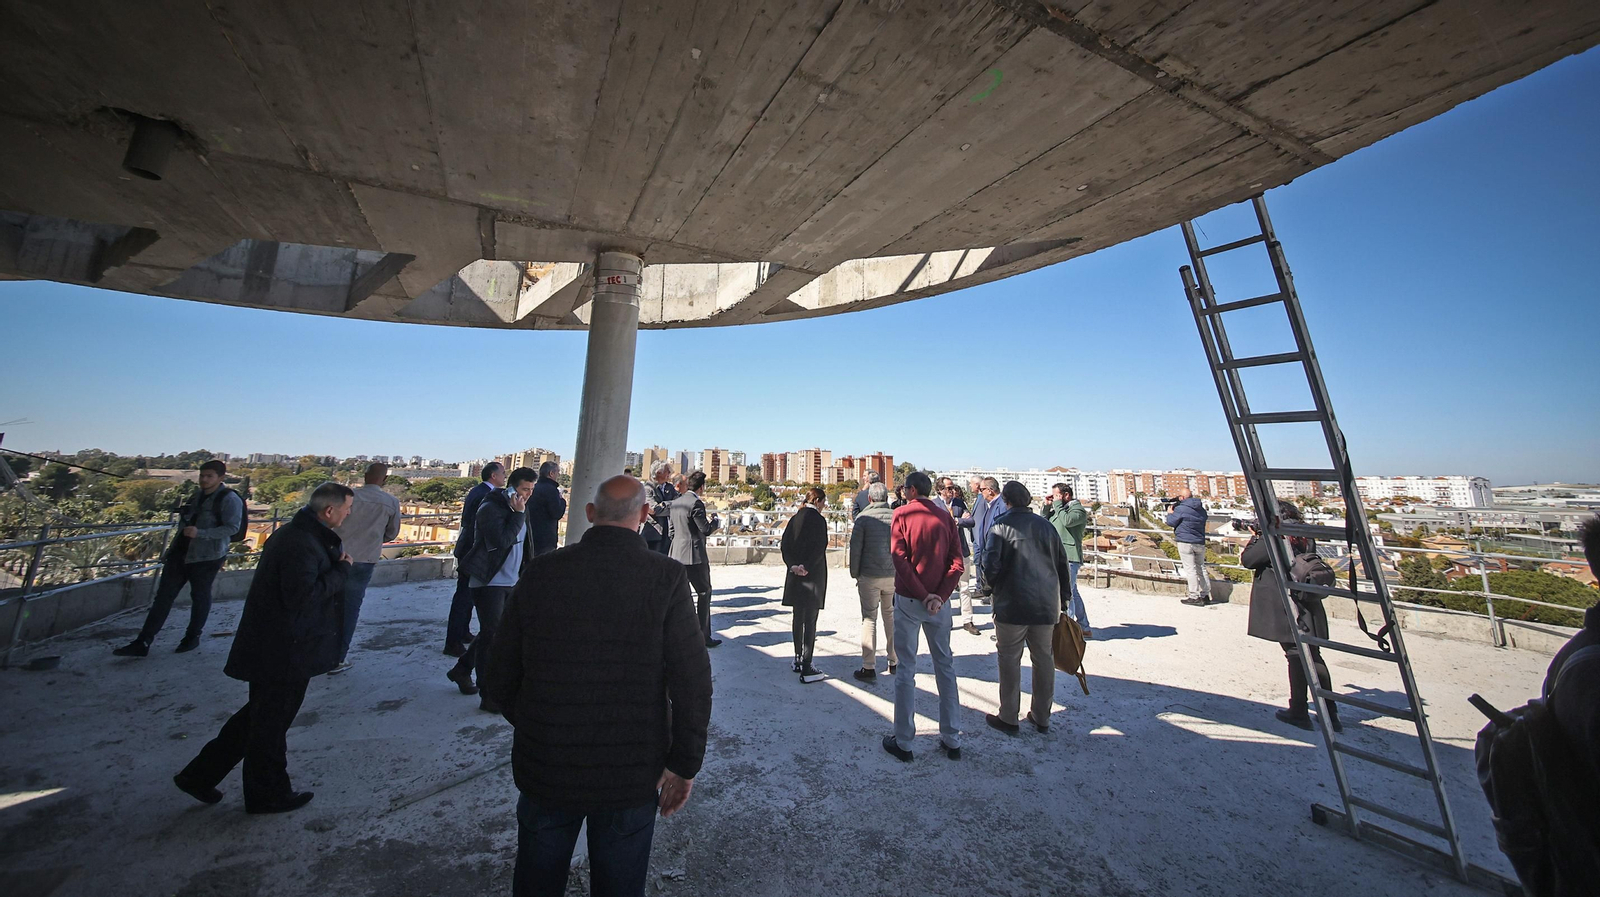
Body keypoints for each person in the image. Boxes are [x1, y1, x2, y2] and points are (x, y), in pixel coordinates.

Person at [484, 475, 712, 897]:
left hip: (546, 764)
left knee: (536, 881)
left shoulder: (542, 572)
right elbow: (692, 681)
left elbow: (497, 677)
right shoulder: (665, 577)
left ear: (589, 514)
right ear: (645, 516)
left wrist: (538, 721)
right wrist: (684, 763)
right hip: (631, 771)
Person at [172, 482, 353, 814]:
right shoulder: (302, 543)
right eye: (346, 509)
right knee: (270, 725)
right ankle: (267, 794)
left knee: (257, 718)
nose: (348, 514)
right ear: (329, 511)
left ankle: (199, 775)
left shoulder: (299, 535)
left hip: (280, 645)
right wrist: (342, 570)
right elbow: (303, 597)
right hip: (284, 648)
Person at [115, 459, 245, 656]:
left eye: (209, 476)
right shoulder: (198, 495)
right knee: (163, 598)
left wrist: (200, 533)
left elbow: (232, 528)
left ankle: (192, 637)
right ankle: (143, 642)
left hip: (207, 556)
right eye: (202, 476)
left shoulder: (229, 499)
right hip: (181, 553)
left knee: (200, 597)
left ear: (221, 478)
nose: (204, 480)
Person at [882, 471, 964, 762]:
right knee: (945, 665)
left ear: (912, 490)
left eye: (905, 489)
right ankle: (952, 737)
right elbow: (957, 563)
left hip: (909, 600)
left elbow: (898, 558)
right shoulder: (945, 519)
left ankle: (904, 741)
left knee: (906, 668)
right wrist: (939, 596)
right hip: (939, 605)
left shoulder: (902, 515)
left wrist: (920, 593)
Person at [1242, 500, 1340, 732]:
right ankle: (1330, 713)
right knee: (1313, 656)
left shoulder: (1274, 534)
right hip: (1307, 598)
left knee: (1296, 656)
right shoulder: (1302, 532)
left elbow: (1248, 560)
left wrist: (1256, 536)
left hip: (1285, 602)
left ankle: (1298, 711)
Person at [982, 481, 1070, 735]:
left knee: (1009, 659)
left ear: (1006, 501)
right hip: (1045, 606)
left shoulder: (1001, 525)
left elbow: (991, 565)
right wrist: (1063, 599)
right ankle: (1042, 716)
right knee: (1044, 660)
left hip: (1012, 605)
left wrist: (989, 590)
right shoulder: (1047, 527)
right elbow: (1062, 565)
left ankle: (1009, 716)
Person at [447, 467, 533, 710]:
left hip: (511, 580)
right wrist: (518, 514)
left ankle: (461, 670)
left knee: (491, 634)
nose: (528, 494)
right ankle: (488, 694)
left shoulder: (522, 508)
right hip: (489, 581)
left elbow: (525, 545)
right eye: (525, 489)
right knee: (492, 637)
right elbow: (502, 540)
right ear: (512, 488)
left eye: (531, 490)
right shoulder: (491, 508)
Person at [328, 462, 401, 673]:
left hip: (334, 557)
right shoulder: (390, 502)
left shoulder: (346, 496)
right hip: (363, 560)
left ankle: (312, 652)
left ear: (364, 475)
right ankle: (337, 659)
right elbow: (391, 534)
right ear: (385, 480)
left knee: (323, 603)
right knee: (349, 610)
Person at [446, 462, 504, 657]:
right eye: (502, 473)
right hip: (472, 551)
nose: (504, 477)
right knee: (463, 597)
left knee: (467, 595)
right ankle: (453, 641)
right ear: (493, 476)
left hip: (467, 549)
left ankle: (462, 633)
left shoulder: (476, 491)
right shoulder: (485, 495)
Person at [661, 470, 722, 648]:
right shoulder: (696, 503)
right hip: (695, 557)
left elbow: (671, 532)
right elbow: (705, 530)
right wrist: (715, 523)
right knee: (704, 592)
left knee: (678, 597)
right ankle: (703, 636)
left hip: (676, 555)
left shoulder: (675, 503)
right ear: (702, 487)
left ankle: (674, 634)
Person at [848, 482, 897, 681]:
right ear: (887, 498)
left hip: (869, 575)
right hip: (893, 575)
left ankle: (869, 666)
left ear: (869, 499)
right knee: (891, 617)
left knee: (869, 618)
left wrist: (855, 573)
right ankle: (894, 661)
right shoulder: (896, 517)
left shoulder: (863, 518)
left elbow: (855, 549)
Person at [781, 487, 830, 678]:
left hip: (795, 575)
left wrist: (793, 566)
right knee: (810, 620)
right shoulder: (819, 520)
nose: (824, 506)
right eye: (823, 502)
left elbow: (784, 545)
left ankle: (797, 657)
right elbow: (820, 548)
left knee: (797, 617)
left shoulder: (795, 518)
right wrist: (806, 566)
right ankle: (808, 665)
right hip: (812, 575)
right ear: (817, 501)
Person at [954, 476, 1002, 636]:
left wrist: (958, 521)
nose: (980, 492)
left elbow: (977, 522)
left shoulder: (996, 504)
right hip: (980, 547)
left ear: (989, 490)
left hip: (984, 550)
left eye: (982, 489)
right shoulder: (985, 501)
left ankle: (1000, 630)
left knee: (969, 587)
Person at [1043, 483, 1091, 636]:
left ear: (1066, 495)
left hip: (1069, 557)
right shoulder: (1059, 510)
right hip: (1056, 555)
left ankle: (1068, 632)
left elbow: (1067, 521)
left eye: (1057, 495)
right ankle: (1084, 627)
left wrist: (1057, 504)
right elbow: (1044, 521)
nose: (1055, 498)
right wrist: (1047, 506)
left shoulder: (1078, 510)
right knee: (1072, 592)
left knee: (1067, 595)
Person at [1165, 487, 1212, 606]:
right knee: (1201, 568)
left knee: (1190, 569)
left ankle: (1194, 596)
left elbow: (1171, 522)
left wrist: (1170, 514)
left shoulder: (1181, 509)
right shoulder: (1201, 509)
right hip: (1199, 541)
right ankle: (1205, 594)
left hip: (1186, 542)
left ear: (1182, 497)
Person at [525, 460, 567, 559]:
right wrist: (562, 501)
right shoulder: (551, 490)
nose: (558, 475)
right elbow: (557, 513)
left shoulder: (534, 488)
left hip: (530, 535)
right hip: (546, 539)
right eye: (557, 472)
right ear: (551, 473)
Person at [647, 461, 677, 555]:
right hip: (653, 535)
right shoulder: (648, 488)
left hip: (669, 535)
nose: (669, 474)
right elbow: (653, 510)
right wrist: (673, 505)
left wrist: (663, 505)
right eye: (667, 471)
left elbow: (680, 503)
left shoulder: (670, 488)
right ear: (658, 472)